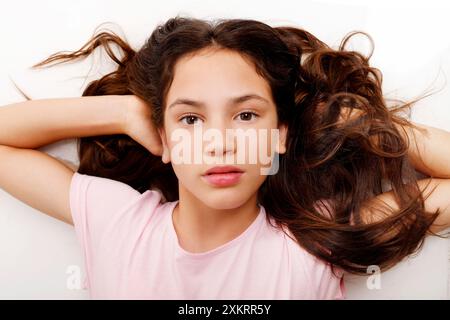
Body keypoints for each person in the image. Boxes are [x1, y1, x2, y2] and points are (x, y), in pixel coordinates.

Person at [0, 16, 449, 300]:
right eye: (191, 119)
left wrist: (355, 124)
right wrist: (121, 112)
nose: (220, 142)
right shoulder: (118, 222)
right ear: (165, 139)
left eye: (246, 115)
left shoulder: (315, 240)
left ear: (280, 136)